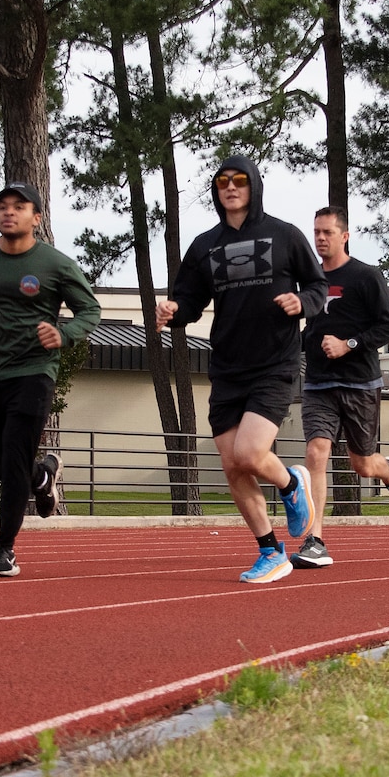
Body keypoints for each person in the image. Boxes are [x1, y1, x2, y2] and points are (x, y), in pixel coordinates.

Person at [156, 155, 326, 583]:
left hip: (275, 361)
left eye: (239, 181)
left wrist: (301, 303)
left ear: (254, 186)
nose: (230, 187)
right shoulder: (204, 245)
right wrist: (173, 310)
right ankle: (272, 552)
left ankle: (289, 484)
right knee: (232, 466)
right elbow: (189, 302)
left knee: (250, 454)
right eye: (222, 182)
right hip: (227, 366)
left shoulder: (285, 235)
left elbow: (319, 286)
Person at [0, 183, 103, 578]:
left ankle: (3, 549)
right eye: (2, 206)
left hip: (34, 373)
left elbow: (90, 310)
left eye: (19, 207)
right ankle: (42, 475)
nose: (9, 212)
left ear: (36, 217)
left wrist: (65, 333)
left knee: (14, 457)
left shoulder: (56, 264)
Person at [294, 207, 389, 567]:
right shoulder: (310, 280)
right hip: (318, 384)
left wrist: (347, 344)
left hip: (360, 383)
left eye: (327, 232)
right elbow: (311, 329)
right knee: (316, 453)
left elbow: (388, 327)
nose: (320, 238)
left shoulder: (366, 276)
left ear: (344, 236)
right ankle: (315, 541)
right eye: (316, 231)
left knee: (362, 464)